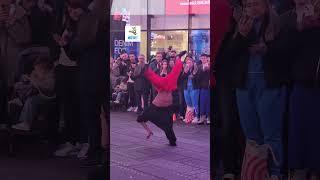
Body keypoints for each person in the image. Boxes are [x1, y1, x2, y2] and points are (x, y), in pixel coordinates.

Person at [225, 0, 289, 178]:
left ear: (266, 5)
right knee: (251, 135)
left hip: (269, 84)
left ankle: (275, 173)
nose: (251, 9)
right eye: (248, 5)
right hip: (245, 85)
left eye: (256, 4)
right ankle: (257, 172)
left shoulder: (278, 23)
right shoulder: (240, 24)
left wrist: (267, 49)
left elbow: (287, 52)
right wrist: (241, 36)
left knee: (271, 133)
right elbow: (229, 55)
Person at [287, 0, 320, 179]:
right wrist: (300, 28)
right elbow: (287, 51)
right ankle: (299, 169)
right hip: (301, 83)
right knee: (300, 131)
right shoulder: (295, 21)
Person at [137, 50, 187, 146]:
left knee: (168, 126)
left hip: (165, 106)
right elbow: (175, 70)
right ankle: (156, 134)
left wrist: (178, 60)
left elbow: (175, 70)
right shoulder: (164, 81)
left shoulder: (166, 80)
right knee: (144, 119)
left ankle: (172, 141)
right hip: (157, 106)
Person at [12, 56, 55, 131]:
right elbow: (32, 82)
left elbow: (49, 88)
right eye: (35, 68)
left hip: (47, 97)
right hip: (36, 92)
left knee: (31, 100)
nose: (36, 71)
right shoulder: (35, 72)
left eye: (38, 69)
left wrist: (35, 81)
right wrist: (25, 80)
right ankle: (20, 99)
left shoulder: (51, 75)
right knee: (21, 87)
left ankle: (26, 123)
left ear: (45, 69)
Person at [180, 55, 201, 124]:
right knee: (188, 103)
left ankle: (196, 117)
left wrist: (194, 74)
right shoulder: (185, 69)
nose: (188, 64)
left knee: (195, 103)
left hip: (194, 88)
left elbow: (198, 79)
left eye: (190, 62)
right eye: (187, 62)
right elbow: (181, 79)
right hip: (186, 88)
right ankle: (189, 117)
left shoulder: (196, 69)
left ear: (193, 63)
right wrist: (185, 72)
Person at [198, 54, 210, 124]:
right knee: (202, 102)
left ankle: (208, 117)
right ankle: (202, 118)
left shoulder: (210, 65)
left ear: (207, 59)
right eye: (202, 58)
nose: (203, 59)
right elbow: (198, 78)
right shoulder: (199, 67)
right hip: (202, 87)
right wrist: (203, 70)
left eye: (204, 58)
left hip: (209, 86)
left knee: (209, 102)